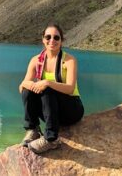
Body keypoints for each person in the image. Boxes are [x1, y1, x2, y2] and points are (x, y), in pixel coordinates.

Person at [18, 23, 84, 154]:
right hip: (51, 112)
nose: (52, 40)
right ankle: (33, 130)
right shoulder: (36, 60)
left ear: (61, 40)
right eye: (48, 37)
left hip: (71, 110)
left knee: (47, 90)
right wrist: (28, 84)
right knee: (28, 91)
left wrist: (47, 83)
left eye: (56, 37)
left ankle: (51, 139)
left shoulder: (69, 60)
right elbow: (22, 87)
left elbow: (70, 89)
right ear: (43, 39)